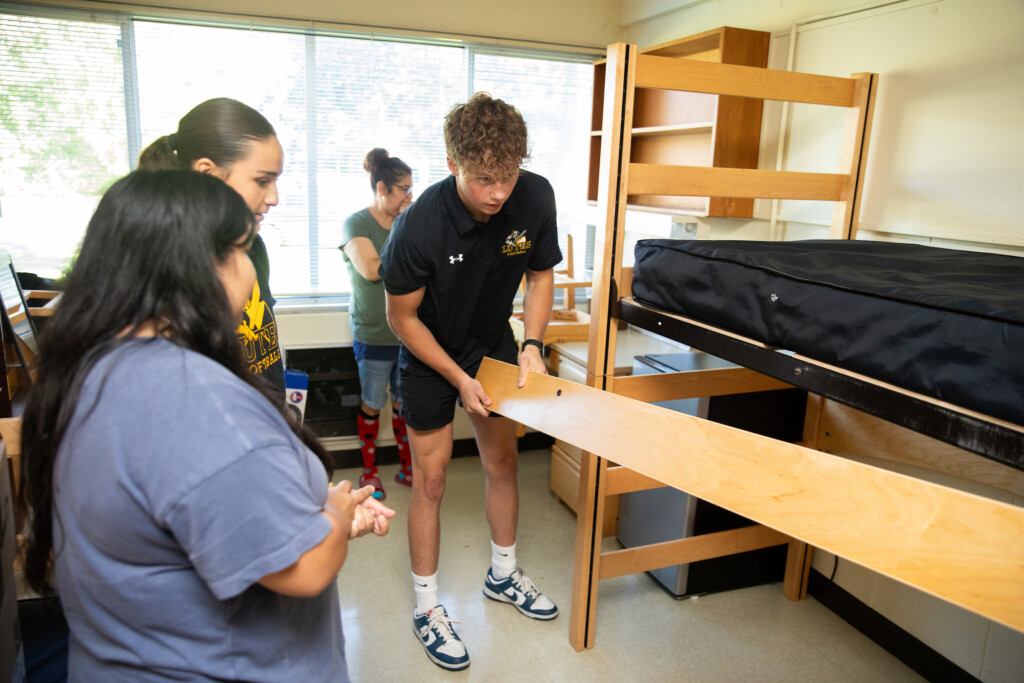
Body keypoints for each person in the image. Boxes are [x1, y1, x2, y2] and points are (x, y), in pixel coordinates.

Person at [19, 170, 395, 681]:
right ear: (196, 268)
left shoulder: (93, 368)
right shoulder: (196, 402)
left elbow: (199, 506)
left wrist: (302, 512)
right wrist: (330, 511)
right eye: (242, 252)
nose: (250, 272)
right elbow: (307, 568)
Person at [378, 92, 562, 671]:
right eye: (484, 179)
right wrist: (458, 377)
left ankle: (503, 576)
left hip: (494, 347)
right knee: (430, 481)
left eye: (507, 176)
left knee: (503, 465)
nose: (498, 192)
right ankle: (428, 608)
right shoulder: (419, 225)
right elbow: (399, 318)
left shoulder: (533, 197)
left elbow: (539, 276)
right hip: (431, 356)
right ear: (453, 164)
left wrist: (531, 345)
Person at [138, 97, 286, 393]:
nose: (274, 198)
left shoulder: (253, 249)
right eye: (261, 181)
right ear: (207, 174)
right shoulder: (161, 272)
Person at [339, 148, 415, 501]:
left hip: (409, 331)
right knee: (372, 402)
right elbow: (372, 269)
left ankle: (407, 466)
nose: (409, 196)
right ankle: (369, 472)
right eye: (403, 189)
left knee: (403, 403)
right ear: (382, 187)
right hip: (372, 333)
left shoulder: (407, 220)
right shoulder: (356, 223)